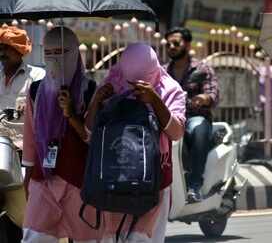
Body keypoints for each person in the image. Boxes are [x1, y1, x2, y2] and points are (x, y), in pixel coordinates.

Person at [21, 27, 114, 242]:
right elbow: (31, 137)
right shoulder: (35, 90)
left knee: (86, 238)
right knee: (35, 236)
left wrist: (71, 114)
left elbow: (92, 137)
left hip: (79, 179)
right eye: (50, 53)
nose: (55, 59)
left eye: (62, 52)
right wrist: (28, 179)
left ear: (74, 53)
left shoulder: (89, 90)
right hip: (44, 178)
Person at [86, 43, 186, 242]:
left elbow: (176, 133)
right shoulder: (113, 83)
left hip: (154, 181)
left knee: (141, 238)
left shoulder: (170, 89)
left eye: (142, 79)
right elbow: (89, 131)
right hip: (114, 177)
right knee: (110, 238)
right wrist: (97, 101)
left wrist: (155, 100)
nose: (133, 85)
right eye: (130, 80)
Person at [0, 24, 45, 242]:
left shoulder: (37, 78)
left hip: (23, 159)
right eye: (0, 47)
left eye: (8, 47)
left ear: (20, 51)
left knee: (21, 216)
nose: (2, 52)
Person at [164, 27, 219, 202]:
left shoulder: (202, 69)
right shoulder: (163, 72)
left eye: (176, 43)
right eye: (169, 44)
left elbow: (214, 93)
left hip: (193, 118)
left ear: (187, 45)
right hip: (170, 119)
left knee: (198, 128)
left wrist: (205, 98)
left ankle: (195, 185)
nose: (172, 46)